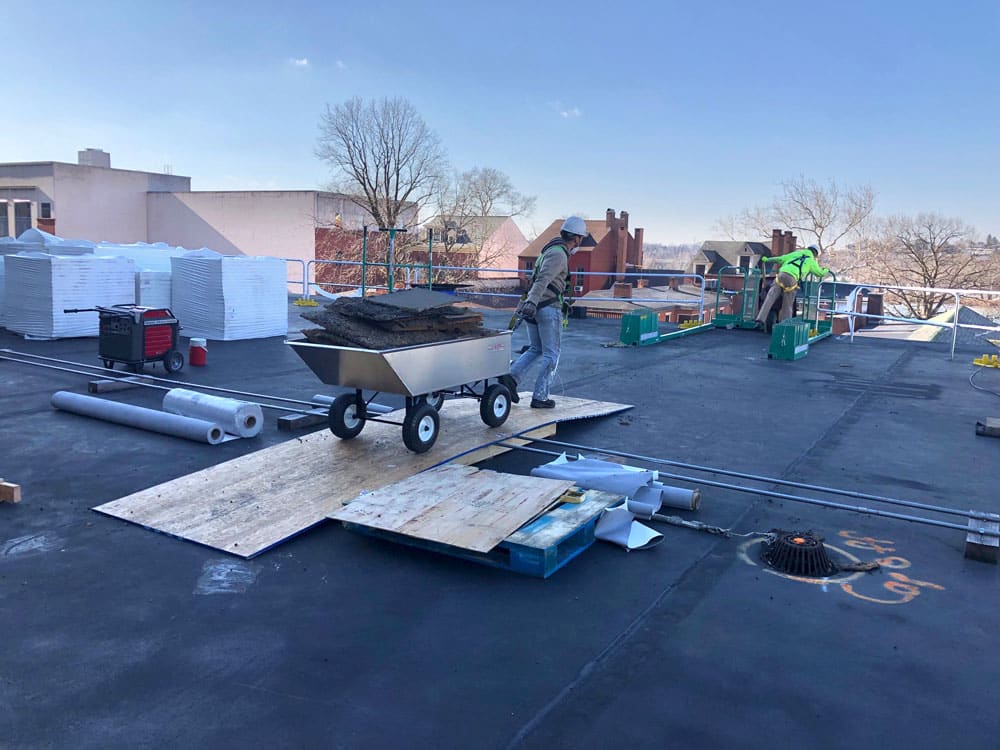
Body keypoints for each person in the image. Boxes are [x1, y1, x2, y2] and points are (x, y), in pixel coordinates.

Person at [500, 216, 587, 408]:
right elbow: (543, 279)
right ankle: (540, 396)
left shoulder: (548, 250)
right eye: (580, 239)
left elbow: (536, 279)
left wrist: (529, 303)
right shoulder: (558, 254)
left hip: (535, 307)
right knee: (552, 353)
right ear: (576, 238)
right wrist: (531, 302)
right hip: (546, 307)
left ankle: (512, 378)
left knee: (536, 348)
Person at [754, 244, 829, 329]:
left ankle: (760, 320)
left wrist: (767, 259)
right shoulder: (811, 261)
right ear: (815, 254)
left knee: (769, 298)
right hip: (792, 279)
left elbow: (780, 259)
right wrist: (826, 270)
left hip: (781, 275)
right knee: (787, 305)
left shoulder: (796, 254)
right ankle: (785, 326)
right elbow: (819, 273)